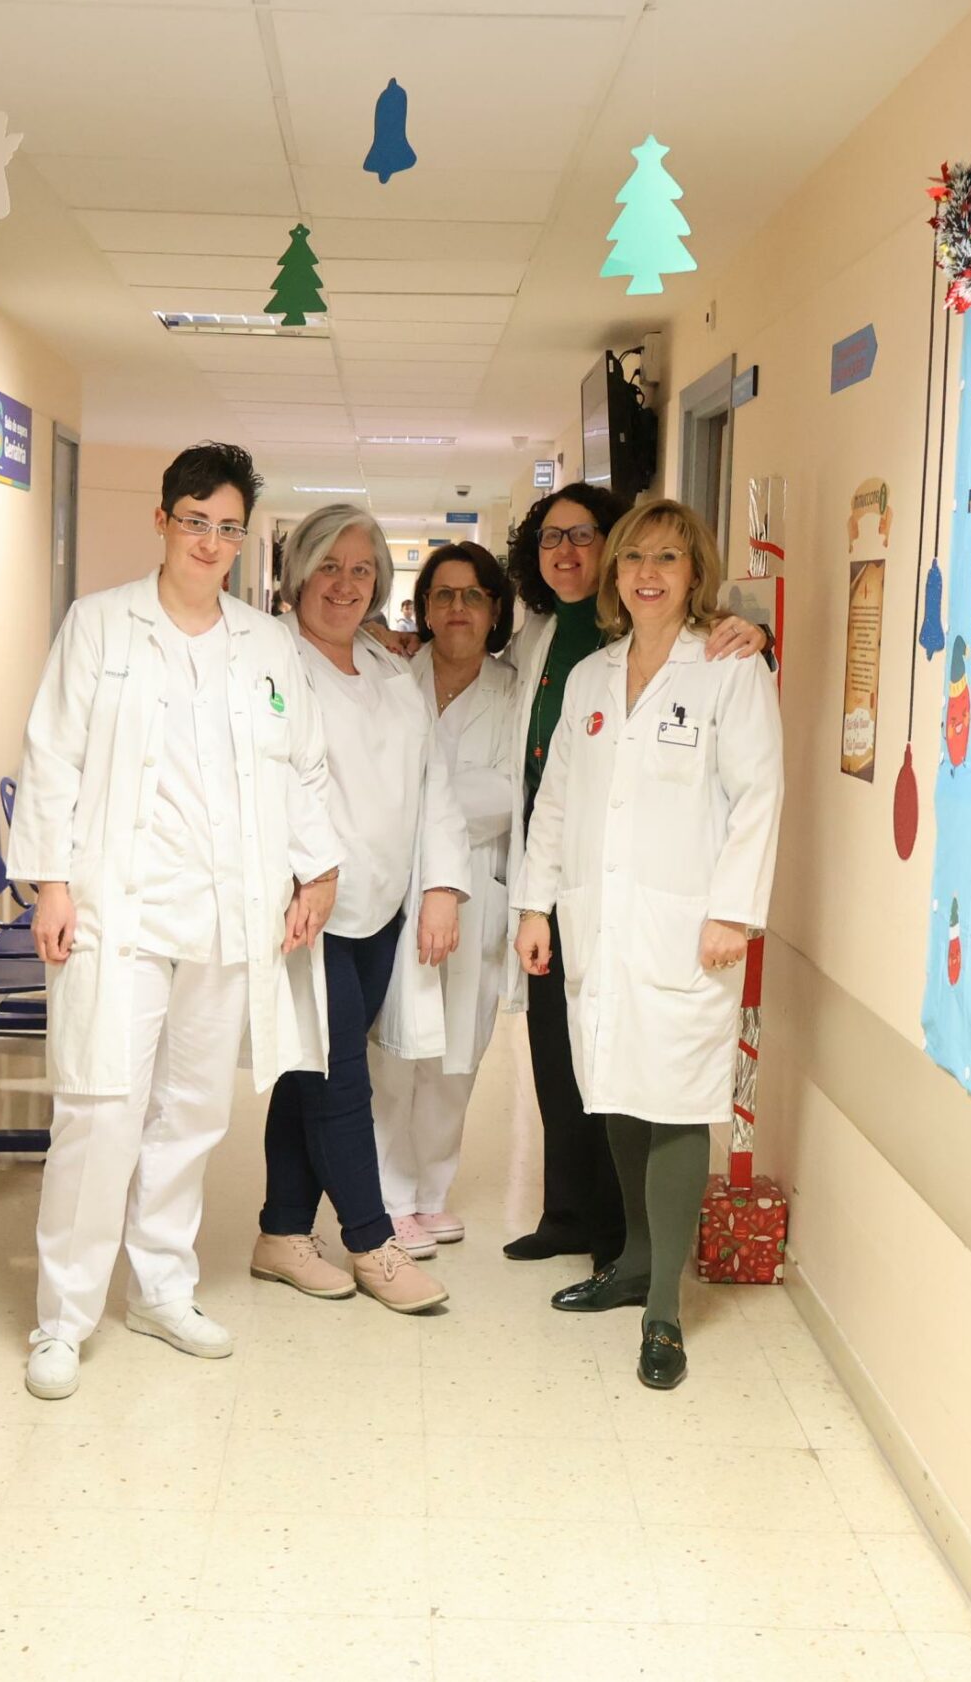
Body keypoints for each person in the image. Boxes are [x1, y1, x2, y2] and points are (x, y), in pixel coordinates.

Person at [6, 442, 341, 1401]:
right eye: (196, 521)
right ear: (163, 520)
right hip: (120, 910)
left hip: (229, 915)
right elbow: (52, 757)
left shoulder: (266, 645)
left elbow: (305, 767)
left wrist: (317, 872)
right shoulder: (99, 624)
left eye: (229, 527)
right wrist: (51, 884)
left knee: (192, 1114)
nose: (210, 541)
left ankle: (161, 1289)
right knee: (100, 1110)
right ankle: (64, 1320)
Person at [514, 498, 784, 1390]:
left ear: (695, 571)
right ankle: (632, 1261)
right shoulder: (592, 676)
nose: (648, 573)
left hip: (689, 927)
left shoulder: (731, 669)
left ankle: (663, 1307)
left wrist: (734, 913)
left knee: (676, 1096)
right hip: (601, 921)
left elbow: (759, 797)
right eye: (634, 556)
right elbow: (555, 802)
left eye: (668, 557)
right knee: (617, 1087)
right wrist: (535, 906)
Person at [250, 504, 468, 1313]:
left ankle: (281, 1231)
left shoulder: (386, 669)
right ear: (298, 572)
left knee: (312, 1069)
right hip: (306, 905)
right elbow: (273, 784)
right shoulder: (272, 661)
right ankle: (372, 1243)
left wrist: (440, 885)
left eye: (361, 569)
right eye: (329, 566)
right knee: (341, 1077)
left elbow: (431, 780)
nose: (344, 584)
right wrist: (305, 874)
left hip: (382, 908)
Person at [368, 543, 520, 1254]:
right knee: (391, 1049)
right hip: (395, 889)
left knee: (458, 1052)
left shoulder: (515, 691)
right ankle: (389, 1197)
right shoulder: (392, 678)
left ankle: (431, 1195)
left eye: (473, 596)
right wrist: (425, 806)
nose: (458, 609)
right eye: (444, 595)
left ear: (494, 610)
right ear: (423, 608)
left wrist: (422, 803)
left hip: (476, 893)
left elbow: (512, 793)